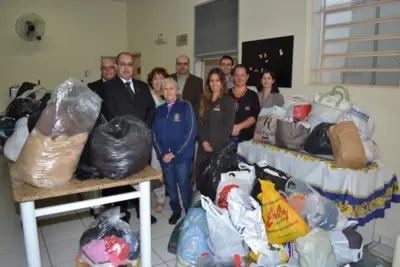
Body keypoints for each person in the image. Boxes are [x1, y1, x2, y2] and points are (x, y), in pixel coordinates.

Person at [102, 52, 157, 224]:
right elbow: (109, 114)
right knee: (122, 180)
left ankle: (143, 211)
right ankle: (122, 214)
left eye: (130, 64)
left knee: (142, 178)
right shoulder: (108, 87)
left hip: (141, 142)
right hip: (121, 142)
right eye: (123, 64)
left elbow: (151, 109)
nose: (127, 67)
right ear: (117, 66)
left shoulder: (142, 86)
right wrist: (126, 133)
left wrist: (144, 128)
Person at [152, 78, 197, 225]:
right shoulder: (159, 110)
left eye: (172, 88)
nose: (168, 91)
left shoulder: (185, 106)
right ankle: (176, 210)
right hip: (164, 157)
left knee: (184, 185)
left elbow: (191, 132)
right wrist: (162, 154)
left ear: (177, 91)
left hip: (182, 156)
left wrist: (175, 153)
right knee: (170, 186)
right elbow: (154, 134)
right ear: (162, 92)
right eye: (165, 89)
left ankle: (189, 213)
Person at [196, 68, 236, 185]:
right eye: (212, 81)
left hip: (219, 148)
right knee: (201, 178)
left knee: (216, 183)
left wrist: (213, 145)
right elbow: (199, 123)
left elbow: (227, 127)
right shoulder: (203, 100)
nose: (214, 84)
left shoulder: (228, 101)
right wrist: (203, 141)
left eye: (217, 80)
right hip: (203, 147)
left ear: (223, 82)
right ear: (208, 83)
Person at [147, 67, 168, 212]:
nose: (158, 81)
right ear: (151, 82)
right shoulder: (148, 98)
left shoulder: (171, 97)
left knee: (171, 170)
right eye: (155, 78)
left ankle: (173, 195)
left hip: (171, 141)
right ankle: (160, 198)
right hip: (154, 141)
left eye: (161, 78)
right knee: (156, 170)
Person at [228, 64, 260, 143]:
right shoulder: (226, 94)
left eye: (242, 75)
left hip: (245, 140)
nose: (239, 78)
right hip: (226, 136)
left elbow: (253, 117)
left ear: (247, 76)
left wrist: (238, 127)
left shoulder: (253, 95)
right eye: (237, 75)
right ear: (233, 77)